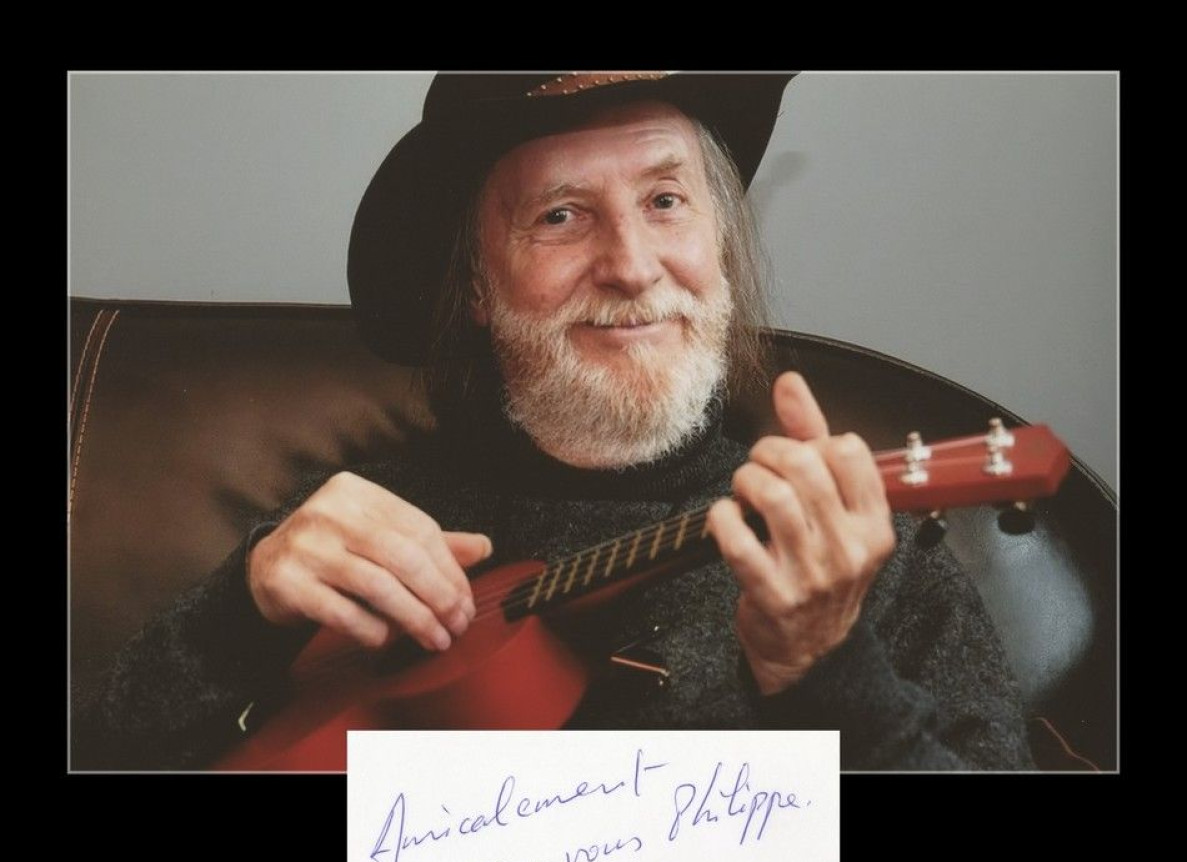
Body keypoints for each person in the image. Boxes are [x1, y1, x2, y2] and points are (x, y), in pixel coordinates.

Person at [73, 72, 1032, 772]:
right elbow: (119, 750)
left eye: (665, 202)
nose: (631, 265)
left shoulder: (866, 556)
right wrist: (237, 610)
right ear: (479, 287)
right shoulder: (362, 523)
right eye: (562, 217)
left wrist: (830, 669)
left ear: (723, 249)